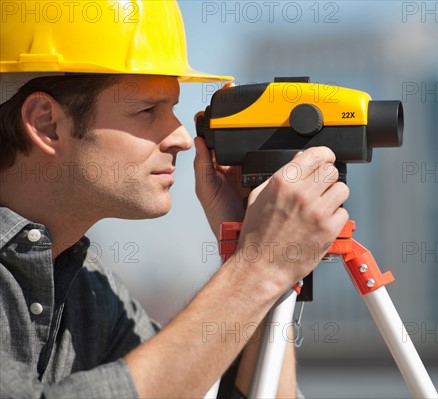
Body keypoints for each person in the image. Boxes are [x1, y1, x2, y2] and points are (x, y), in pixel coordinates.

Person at [0, 1, 349, 397]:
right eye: (148, 110)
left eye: (173, 109)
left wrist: (251, 253)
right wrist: (259, 267)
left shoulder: (87, 288)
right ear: (47, 123)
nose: (182, 137)